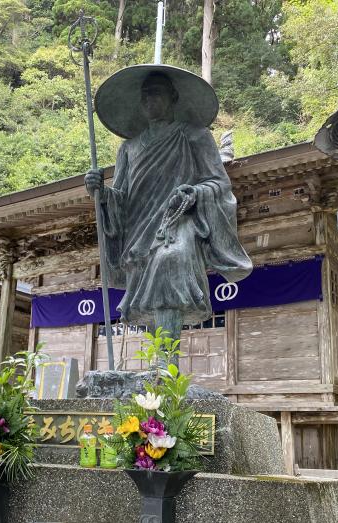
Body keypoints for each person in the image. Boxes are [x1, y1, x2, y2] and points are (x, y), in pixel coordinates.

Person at [85, 65, 252, 341]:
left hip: (178, 220)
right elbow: (122, 196)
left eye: (157, 93)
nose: (150, 100)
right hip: (139, 226)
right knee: (147, 292)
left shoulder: (195, 136)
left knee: (169, 261)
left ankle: (166, 357)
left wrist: (195, 193)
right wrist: (101, 193)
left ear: (173, 97)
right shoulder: (129, 148)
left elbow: (219, 183)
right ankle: (157, 357)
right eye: (145, 96)